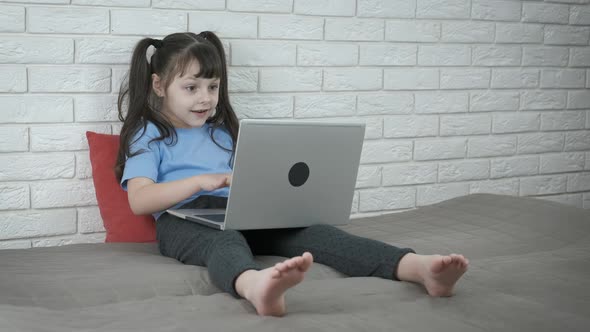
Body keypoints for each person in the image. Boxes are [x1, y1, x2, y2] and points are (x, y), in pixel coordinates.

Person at [115, 31, 469, 317]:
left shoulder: (222, 131)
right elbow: (139, 200)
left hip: (238, 211)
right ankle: (254, 285)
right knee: (225, 243)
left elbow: (250, 179)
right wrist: (199, 181)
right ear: (159, 86)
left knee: (316, 234)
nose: (205, 98)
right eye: (191, 88)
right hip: (183, 222)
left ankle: (417, 267)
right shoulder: (150, 134)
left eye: (212, 86)